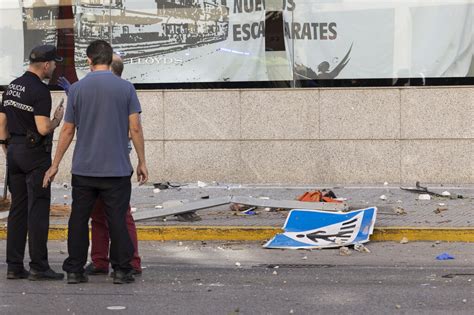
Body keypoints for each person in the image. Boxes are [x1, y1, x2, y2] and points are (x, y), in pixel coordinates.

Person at [43, 40, 148, 284]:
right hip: (117, 169)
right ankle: (122, 270)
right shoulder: (126, 88)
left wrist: (55, 163)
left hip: (84, 169)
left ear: (88, 60)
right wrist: (142, 161)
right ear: (110, 59)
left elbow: (67, 130)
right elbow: (135, 128)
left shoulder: (78, 89)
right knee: (118, 219)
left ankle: (75, 270)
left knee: (79, 219)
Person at [0, 45, 65, 281]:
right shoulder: (40, 90)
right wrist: (56, 120)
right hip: (35, 154)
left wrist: (7, 149)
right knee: (37, 209)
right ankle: (39, 265)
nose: (55, 67)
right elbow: (42, 127)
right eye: (54, 64)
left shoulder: (12, 86)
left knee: (17, 210)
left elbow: (1, 124)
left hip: (15, 151)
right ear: (46, 65)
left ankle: (14, 266)